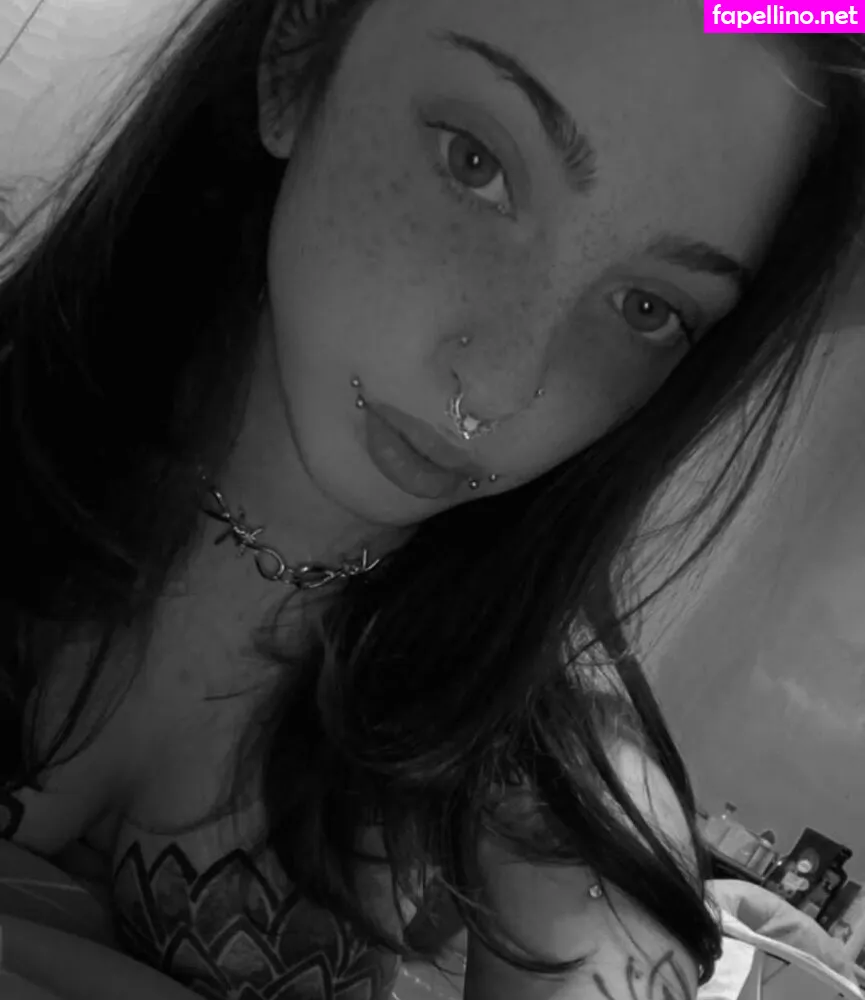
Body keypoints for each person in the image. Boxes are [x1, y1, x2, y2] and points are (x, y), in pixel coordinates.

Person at [0, 1, 863, 998]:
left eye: (646, 308)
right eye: (475, 163)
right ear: (295, 58)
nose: (495, 389)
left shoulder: (540, 754)